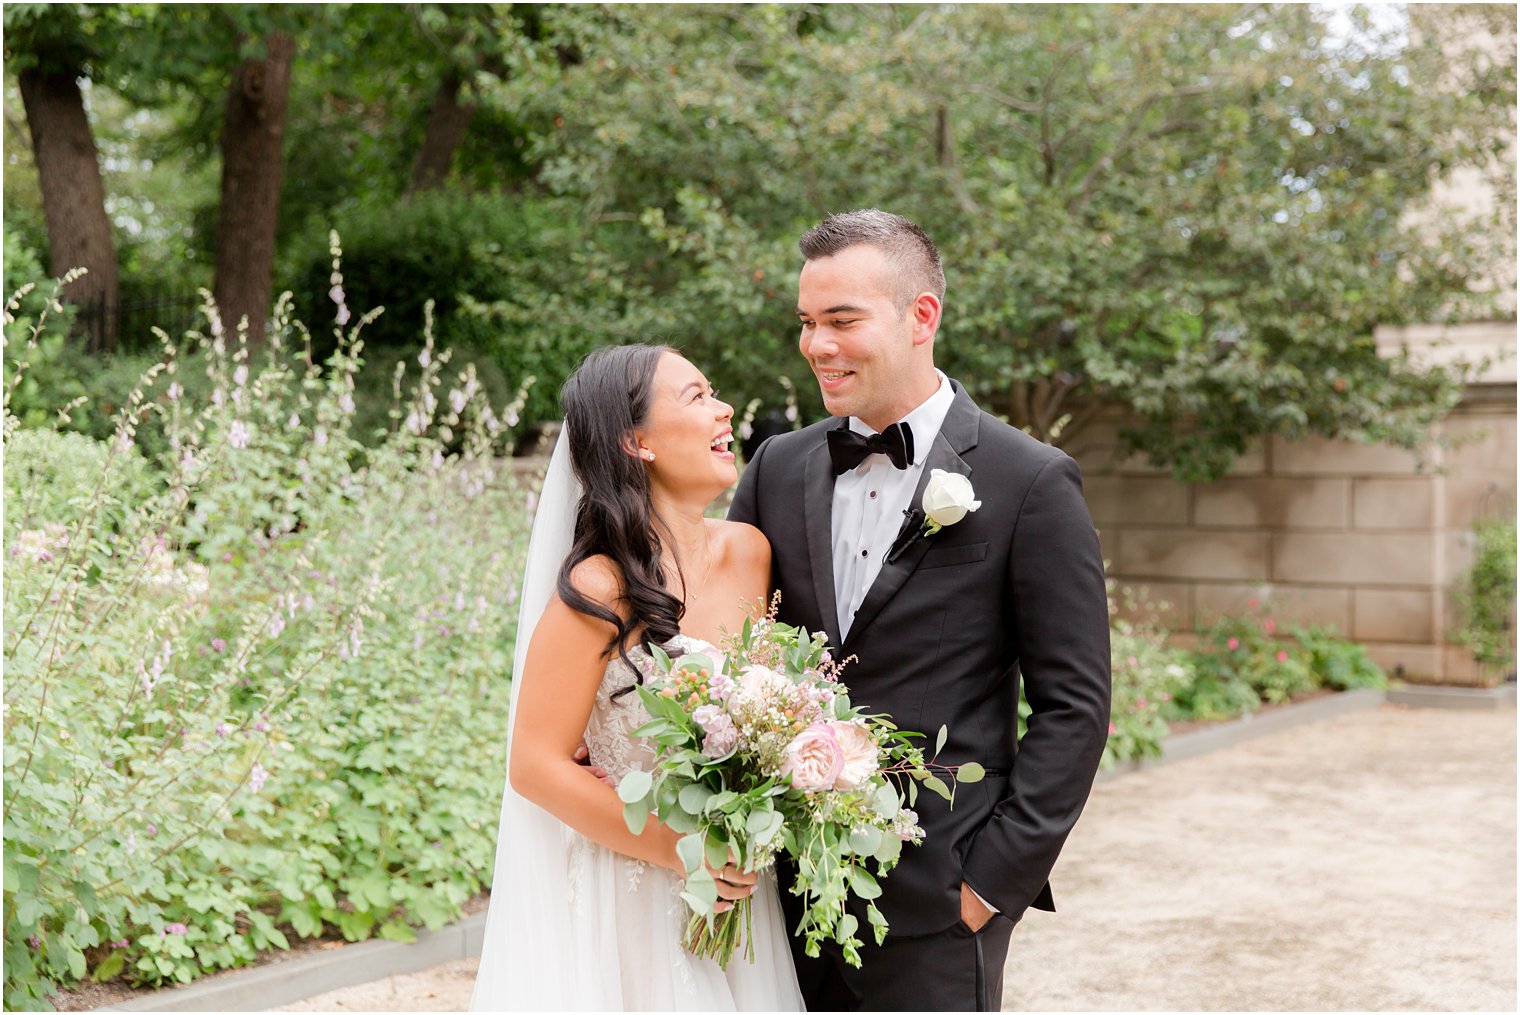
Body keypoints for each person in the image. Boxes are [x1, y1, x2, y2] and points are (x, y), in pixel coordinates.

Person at [728, 209, 1112, 1011]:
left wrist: (989, 882)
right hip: (777, 896)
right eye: (806, 322)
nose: (817, 345)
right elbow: (732, 657)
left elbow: (1074, 705)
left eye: (842, 320)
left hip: (939, 903)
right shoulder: (775, 467)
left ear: (921, 316)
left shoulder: (1029, 481)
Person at [470, 345, 803, 1011]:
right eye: (695, 396)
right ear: (635, 440)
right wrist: (679, 849)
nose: (724, 408)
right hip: (629, 893)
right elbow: (534, 763)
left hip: (738, 890)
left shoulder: (752, 553)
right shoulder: (598, 587)